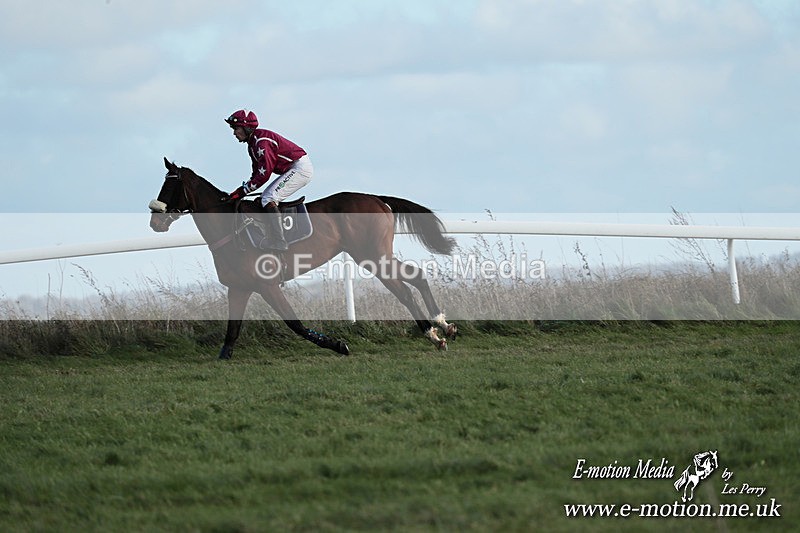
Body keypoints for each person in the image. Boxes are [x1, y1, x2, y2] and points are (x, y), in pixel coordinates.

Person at [225, 109, 313, 250]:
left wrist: (242, 192)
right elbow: (256, 173)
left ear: (246, 128)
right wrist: (242, 190)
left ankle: (280, 241)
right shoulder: (253, 144)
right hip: (292, 167)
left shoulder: (261, 142)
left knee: (268, 198)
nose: (234, 133)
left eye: (236, 128)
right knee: (264, 198)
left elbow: (264, 175)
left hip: (299, 168)